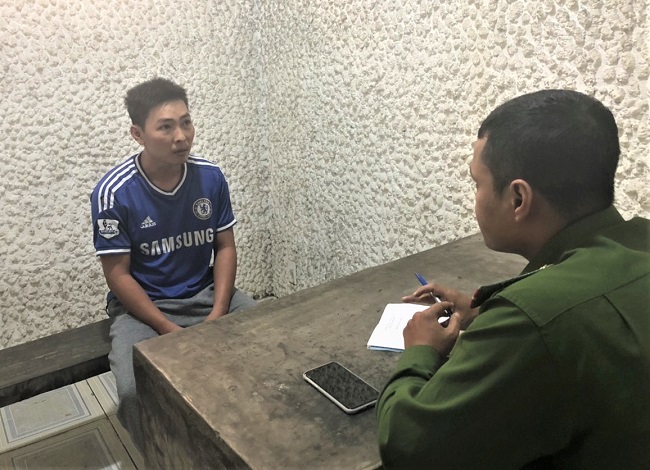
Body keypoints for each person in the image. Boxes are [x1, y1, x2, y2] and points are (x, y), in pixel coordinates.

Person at [376, 90, 650, 469]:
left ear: (519, 198)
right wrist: (485, 310)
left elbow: (408, 448)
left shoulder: (532, 319)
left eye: (477, 183)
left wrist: (420, 351)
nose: (475, 198)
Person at [90, 78, 257, 450]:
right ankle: (162, 457)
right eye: (165, 127)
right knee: (134, 392)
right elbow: (117, 275)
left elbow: (225, 248)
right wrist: (167, 328)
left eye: (186, 122)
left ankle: (251, 441)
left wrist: (218, 313)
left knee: (273, 344)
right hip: (143, 309)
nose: (181, 136)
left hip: (207, 294)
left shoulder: (210, 177)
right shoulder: (113, 193)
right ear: (138, 134)